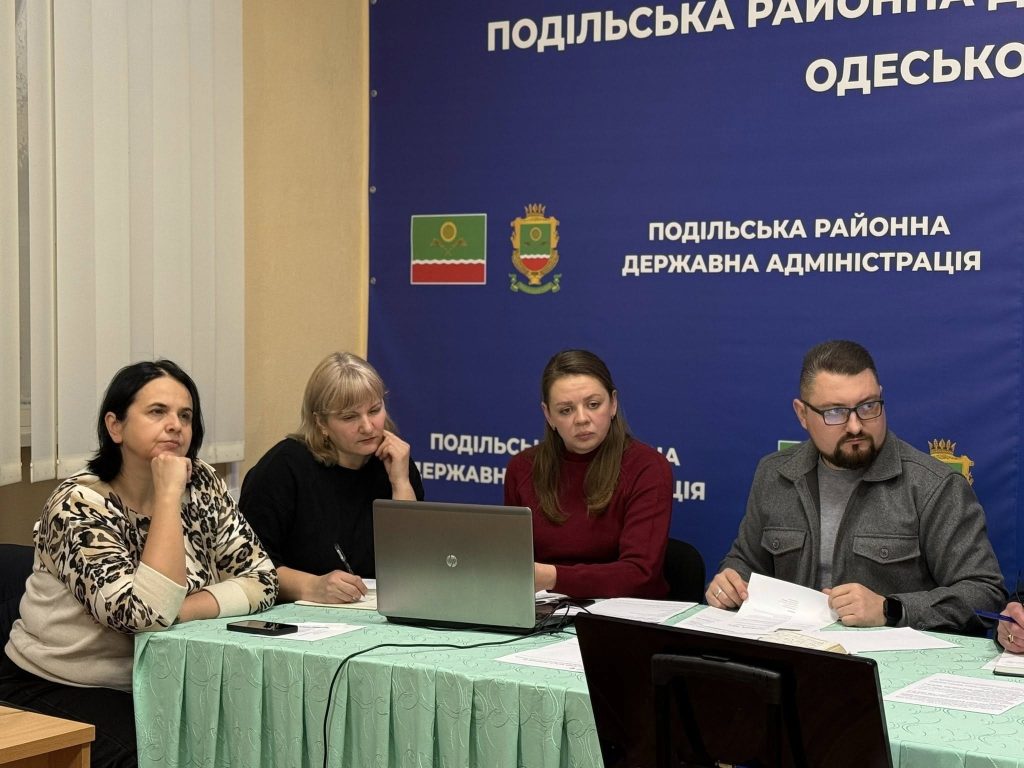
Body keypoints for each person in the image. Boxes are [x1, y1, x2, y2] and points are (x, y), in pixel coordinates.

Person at [0, 360, 278, 768]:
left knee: (252, 737)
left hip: (162, 677)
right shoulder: (78, 504)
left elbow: (262, 578)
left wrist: (183, 609)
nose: (176, 426)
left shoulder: (200, 483)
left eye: (186, 416)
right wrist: (167, 497)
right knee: (167, 756)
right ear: (115, 427)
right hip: (61, 683)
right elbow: (144, 615)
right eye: (157, 412)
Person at [708, 340, 1005, 634]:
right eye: (835, 412)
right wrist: (730, 582)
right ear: (802, 414)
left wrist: (891, 609)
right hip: (793, 652)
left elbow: (984, 595)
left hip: (888, 659)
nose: (855, 426)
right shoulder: (774, 473)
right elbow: (745, 561)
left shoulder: (933, 486)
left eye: (868, 406)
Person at [239, 352, 424, 604]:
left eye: (375, 410)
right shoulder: (282, 468)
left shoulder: (395, 461)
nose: (368, 427)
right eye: (349, 417)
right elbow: (248, 567)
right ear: (321, 423)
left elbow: (415, 565)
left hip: (377, 610)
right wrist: (312, 586)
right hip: (300, 615)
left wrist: (401, 483)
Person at [504, 349, 673, 599]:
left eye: (593, 405)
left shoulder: (648, 467)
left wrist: (553, 577)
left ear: (613, 404)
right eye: (566, 410)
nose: (582, 419)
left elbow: (639, 574)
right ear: (548, 415)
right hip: (543, 610)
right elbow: (512, 564)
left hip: (623, 612)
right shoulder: (522, 468)